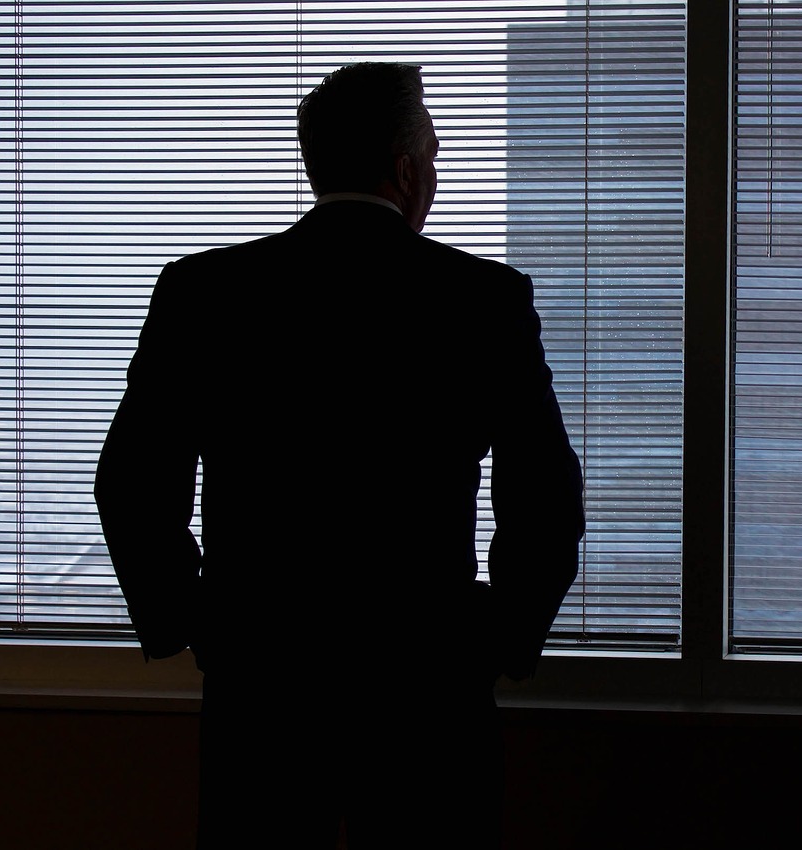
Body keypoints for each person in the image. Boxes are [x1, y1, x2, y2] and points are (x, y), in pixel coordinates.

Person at [94, 62, 585, 849]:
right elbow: (547, 497)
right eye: (433, 153)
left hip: (261, 687)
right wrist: (498, 640)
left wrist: (194, 623)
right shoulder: (482, 300)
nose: (436, 172)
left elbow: (130, 485)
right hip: (429, 690)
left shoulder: (204, 292)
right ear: (404, 168)